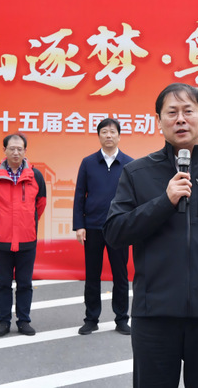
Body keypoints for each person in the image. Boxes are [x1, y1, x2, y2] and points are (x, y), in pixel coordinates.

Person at [103, 83, 198, 388]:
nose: (181, 119)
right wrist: (165, 201)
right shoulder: (137, 173)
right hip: (154, 317)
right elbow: (115, 232)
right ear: (158, 121)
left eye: (188, 111)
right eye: (172, 112)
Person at [73, 118, 134, 336]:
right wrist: (79, 225)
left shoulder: (129, 164)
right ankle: (91, 319)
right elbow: (79, 194)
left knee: (120, 275)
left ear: (119, 136)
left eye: (112, 132)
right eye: (104, 132)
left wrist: (131, 225)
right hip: (92, 227)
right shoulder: (88, 163)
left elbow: (134, 198)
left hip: (119, 228)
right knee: (92, 275)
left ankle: (122, 319)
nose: (108, 135)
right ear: (99, 136)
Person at [0, 133, 47, 337]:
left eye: (20, 149)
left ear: (25, 151)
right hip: (2, 240)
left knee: (25, 283)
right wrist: (3, 223)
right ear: (4, 150)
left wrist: (26, 223)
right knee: (3, 283)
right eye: (12, 148)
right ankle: (3, 322)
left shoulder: (35, 176)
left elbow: (40, 205)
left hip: (27, 240)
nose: (16, 152)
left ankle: (24, 321)